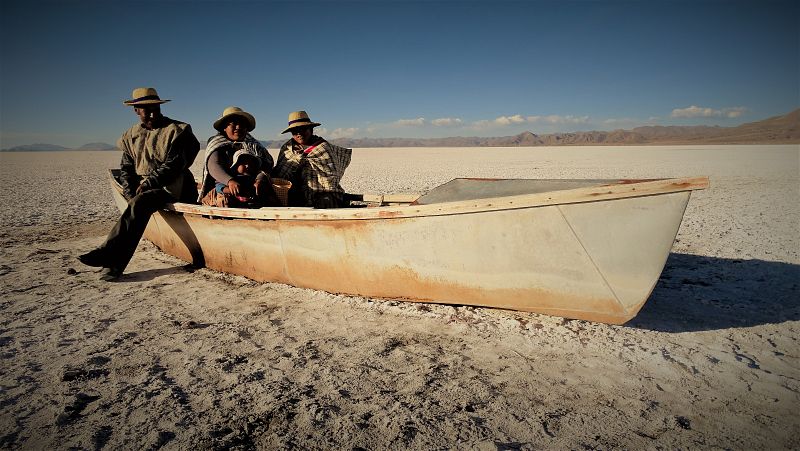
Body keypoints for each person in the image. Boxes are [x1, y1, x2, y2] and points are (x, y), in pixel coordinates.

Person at [77, 87, 200, 281]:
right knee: (138, 203)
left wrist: (150, 182)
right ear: (136, 111)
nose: (152, 113)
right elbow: (126, 167)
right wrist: (128, 190)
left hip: (174, 187)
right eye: (146, 110)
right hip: (146, 189)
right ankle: (110, 263)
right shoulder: (130, 135)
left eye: (155, 109)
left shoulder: (178, 131)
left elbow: (175, 164)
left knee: (141, 202)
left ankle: (109, 258)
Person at [198, 106, 277, 207]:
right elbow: (214, 166)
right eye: (233, 124)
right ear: (224, 127)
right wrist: (230, 181)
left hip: (252, 190)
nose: (238, 127)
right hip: (226, 189)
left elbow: (265, 164)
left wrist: (260, 179)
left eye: (242, 124)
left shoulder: (253, 145)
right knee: (224, 202)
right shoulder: (217, 144)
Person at [272, 110, 351, 208]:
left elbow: (330, 177)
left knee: (325, 203)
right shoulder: (287, 148)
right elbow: (280, 173)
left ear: (311, 129)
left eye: (303, 129)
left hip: (321, 194)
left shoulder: (322, 148)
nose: (299, 133)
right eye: (295, 131)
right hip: (292, 194)